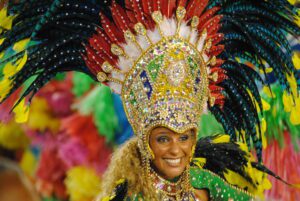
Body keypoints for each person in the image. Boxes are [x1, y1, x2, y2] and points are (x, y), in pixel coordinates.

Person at [0, 0, 299, 200]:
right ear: (145, 140)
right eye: (164, 138)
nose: (176, 150)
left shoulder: (209, 185)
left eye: (184, 136)